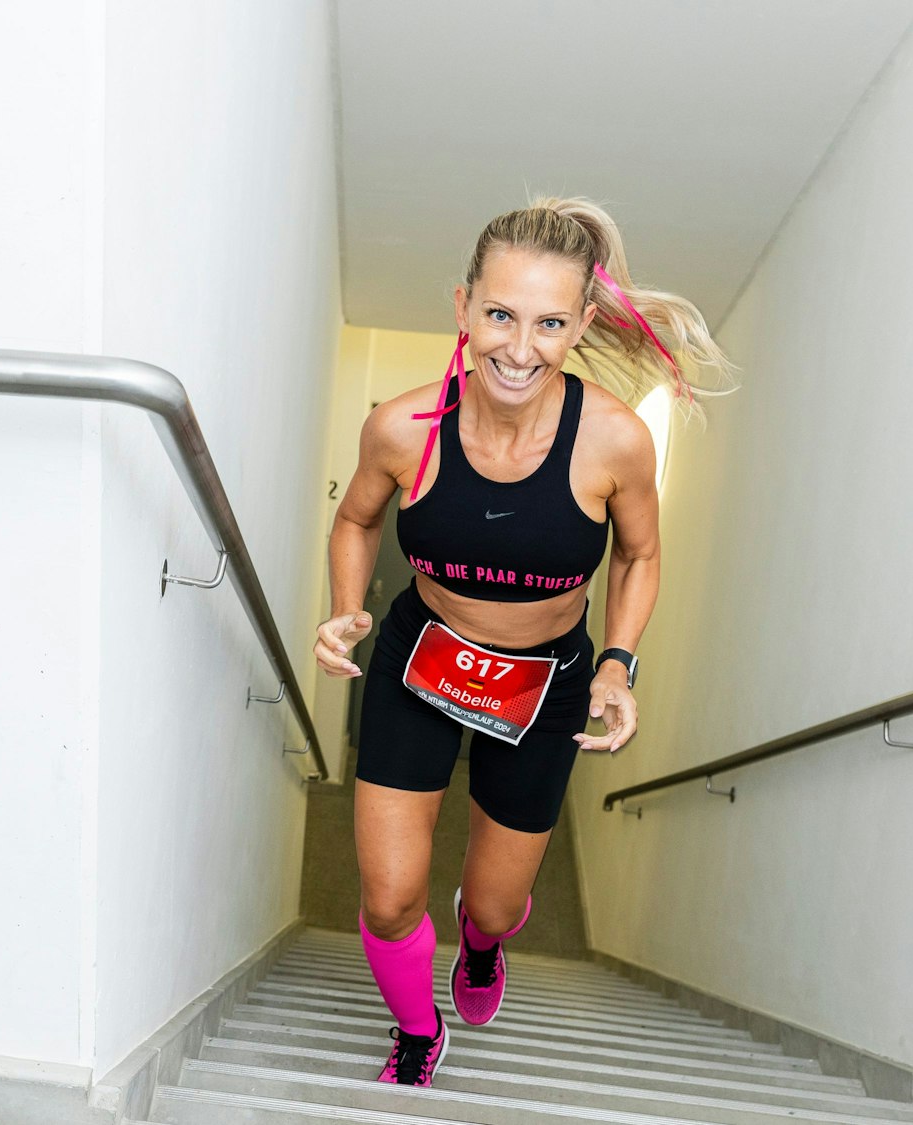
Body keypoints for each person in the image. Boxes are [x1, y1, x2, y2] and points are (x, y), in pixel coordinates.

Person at [313, 197, 733, 1087]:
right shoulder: (403, 428)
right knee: (388, 900)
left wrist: (617, 664)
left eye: (549, 322)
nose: (518, 346)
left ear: (582, 323)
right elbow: (354, 520)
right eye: (500, 313)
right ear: (463, 305)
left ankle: (479, 937)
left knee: (501, 905)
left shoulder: (613, 440)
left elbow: (641, 555)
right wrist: (348, 604)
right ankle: (417, 1030)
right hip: (418, 663)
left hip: (545, 684)